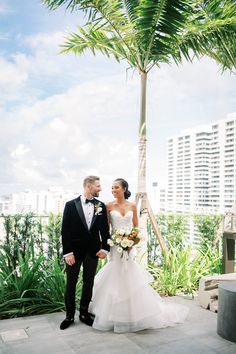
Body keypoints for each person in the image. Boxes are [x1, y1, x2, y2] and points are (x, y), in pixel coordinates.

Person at [89, 178, 189, 333]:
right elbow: (105, 229)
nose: (113, 190)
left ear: (124, 189)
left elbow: (136, 226)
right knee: (115, 273)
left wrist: (132, 240)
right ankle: (114, 315)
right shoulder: (108, 206)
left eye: (116, 187)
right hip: (115, 246)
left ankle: (133, 314)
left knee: (129, 273)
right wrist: (112, 242)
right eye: (112, 188)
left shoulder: (132, 205)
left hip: (129, 246)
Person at [60, 176, 110, 330]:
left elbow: (104, 230)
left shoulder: (100, 205)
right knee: (71, 284)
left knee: (89, 284)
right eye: (98, 186)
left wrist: (105, 248)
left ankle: (84, 314)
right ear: (89, 186)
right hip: (73, 253)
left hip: (93, 252)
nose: (100, 189)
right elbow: (65, 230)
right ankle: (69, 316)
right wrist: (68, 253)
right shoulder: (70, 205)